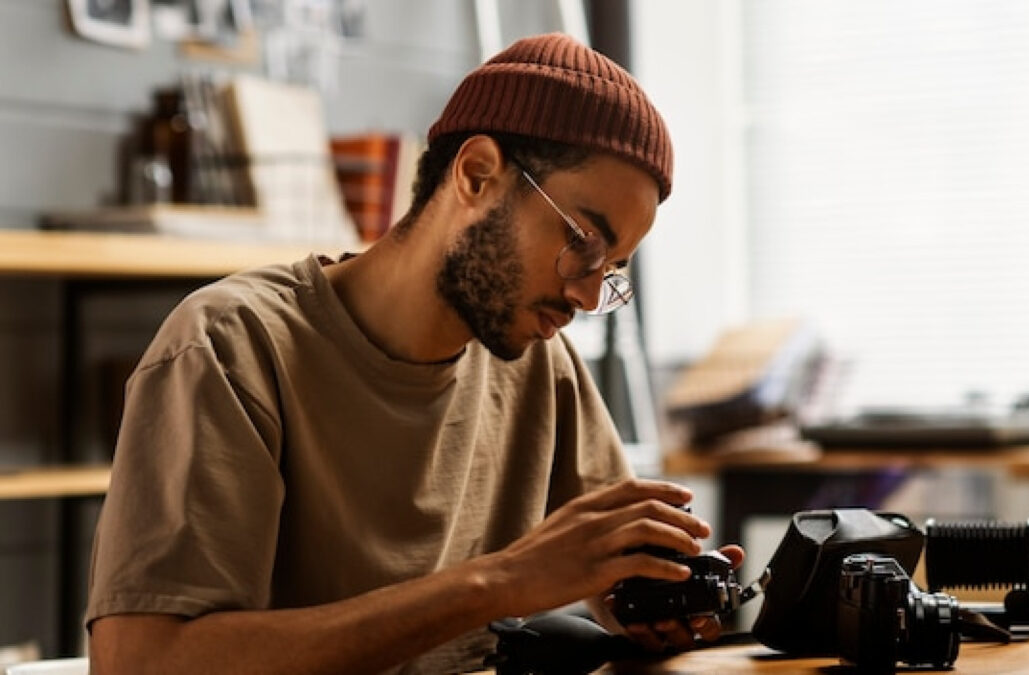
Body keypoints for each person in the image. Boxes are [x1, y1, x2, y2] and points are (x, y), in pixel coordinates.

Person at [85, 32, 744, 674]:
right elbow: (141, 661)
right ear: (477, 174)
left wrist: (650, 597)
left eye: (613, 269)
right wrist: (495, 584)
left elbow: (605, 564)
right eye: (583, 242)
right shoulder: (231, 347)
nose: (588, 292)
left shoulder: (540, 363)